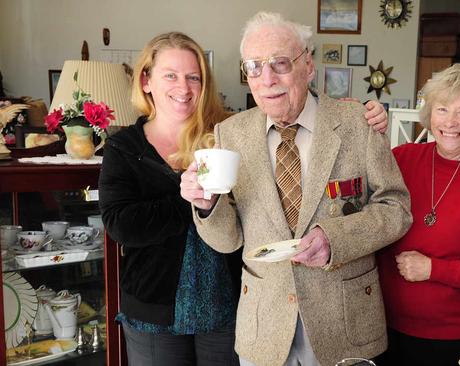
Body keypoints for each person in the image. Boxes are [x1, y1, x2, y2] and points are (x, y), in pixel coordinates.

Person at [98, 31, 389, 366]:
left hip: (228, 303)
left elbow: (299, 120)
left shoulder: (228, 131)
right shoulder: (124, 146)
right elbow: (122, 225)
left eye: (194, 76)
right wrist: (193, 200)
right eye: (171, 76)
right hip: (156, 306)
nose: (184, 87)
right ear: (146, 81)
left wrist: (362, 113)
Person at [180, 11, 412, 366]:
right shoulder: (232, 134)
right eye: (254, 66)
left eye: (280, 63)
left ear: (309, 66)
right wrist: (208, 207)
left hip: (345, 325)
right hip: (265, 327)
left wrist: (335, 238)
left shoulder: (356, 123)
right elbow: (228, 241)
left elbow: (396, 208)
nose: (267, 78)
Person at [376, 63, 460, 366]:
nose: (451, 122)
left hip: (451, 340)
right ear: (429, 114)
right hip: (382, 328)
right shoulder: (400, 159)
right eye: (442, 109)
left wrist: (432, 269)